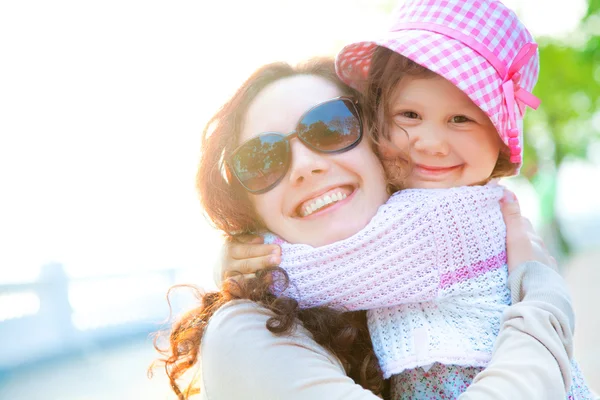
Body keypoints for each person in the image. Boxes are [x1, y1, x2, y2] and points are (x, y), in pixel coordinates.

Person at [216, 0, 595, 398]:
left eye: (461, 119)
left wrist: (252, 262)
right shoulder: (447, 205)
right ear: (380, 117)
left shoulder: (440, 220)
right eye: (410, 115)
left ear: (499, 138)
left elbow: (328, 273)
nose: (430, 143)